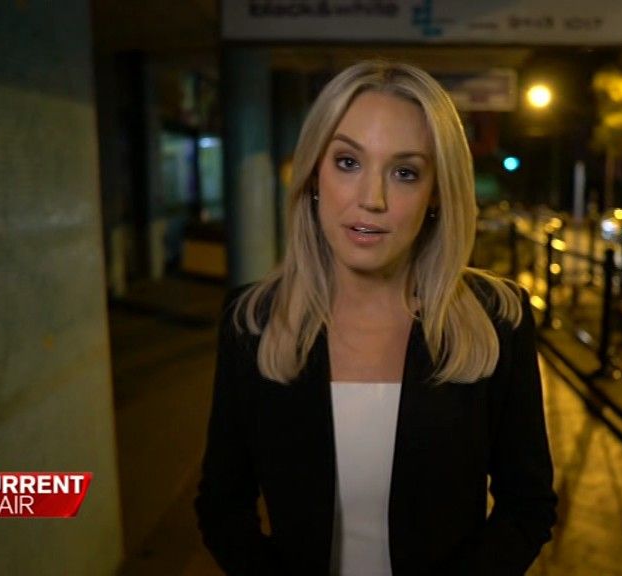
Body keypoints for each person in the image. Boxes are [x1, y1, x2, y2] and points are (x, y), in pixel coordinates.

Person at [196, 60, 557, 576]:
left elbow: (527, 506)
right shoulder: (250, 322)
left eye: (405, 172)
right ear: (314, 174)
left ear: (436, 193)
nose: (372, 199)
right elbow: (223, 506)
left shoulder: (499, 319)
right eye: (347, 162)